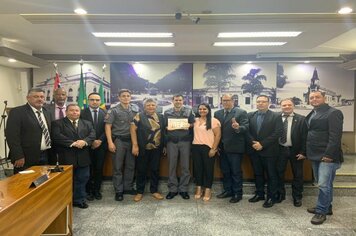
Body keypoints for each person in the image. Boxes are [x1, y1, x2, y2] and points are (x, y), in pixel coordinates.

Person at [306, 91, 343, 225]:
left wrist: (328, 154)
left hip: (327, 156)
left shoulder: (333, 112)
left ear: (324, 98)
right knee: (324, 184)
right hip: (315, 154)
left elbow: (335, 136)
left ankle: (321, 211)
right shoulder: (313, 112)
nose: (314, 99)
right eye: (311, 97)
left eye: (317, 97)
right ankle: (327, 207)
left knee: (323, 184)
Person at [51, 104, 96, 209]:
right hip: (66, 157)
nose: (75, 112)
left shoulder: (87, 123)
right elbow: (57, 136)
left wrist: (84, 141)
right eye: (72, 110)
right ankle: (65, 201)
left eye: (77, 110)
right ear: (66, 112)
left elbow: (92, 135)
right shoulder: (57, 123)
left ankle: (79, 200)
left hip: (83, 157)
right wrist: (74, 143)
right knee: (66, 181)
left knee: (82, 179)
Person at [247, 95, 282, 208]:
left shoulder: (276, 116)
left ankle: (271, 197)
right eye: (258, 102)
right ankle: (259, 194)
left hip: (269, 151)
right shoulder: (250, 115)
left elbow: (277, 133)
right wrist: (254, 143)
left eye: (263, 102)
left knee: (271, 175)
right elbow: (247, 131)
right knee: (258, 173)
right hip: (254, 150)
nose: (260, 103)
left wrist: (262, 144)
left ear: (268, 103)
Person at [6, 88, 52, 174]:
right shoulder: (17, 112)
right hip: (26, 157)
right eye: (36, 96)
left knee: (43, 182)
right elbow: (12, 136)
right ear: (28, 98)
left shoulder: (47, 112)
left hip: (45, 154)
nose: (39, 99)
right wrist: (18, 156)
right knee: (24, 184)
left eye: (42, 97)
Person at [105, 89, 139, 201]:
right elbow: (108, 126)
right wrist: (110, 142)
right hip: (118, 140)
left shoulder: (135, 109)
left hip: (132, 140)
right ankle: (119, 190)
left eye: (128, 96)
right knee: (118, 166)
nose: (126, 98)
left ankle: (128, 187)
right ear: (119, 98)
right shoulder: (113, 110)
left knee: (130, 165)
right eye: (123, 96)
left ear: (130, 97)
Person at [214, 95, 249, 203]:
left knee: (235, 172)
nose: (225, 102)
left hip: (235, 148)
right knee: (225, 171)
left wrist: (238, 127)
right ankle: (228, 190)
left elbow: (246, 127)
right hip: (222, 148)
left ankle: (237, 193)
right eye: (223, 100)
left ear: (233, 101)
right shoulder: (217, 113)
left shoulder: (241, 112)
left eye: (228, 100)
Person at [130, 98, 165, 202]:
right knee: (141, 170)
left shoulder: (161, 117)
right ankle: (139, 192)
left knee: (155, 169)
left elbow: (164, 132)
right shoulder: (139, 116)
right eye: (148, 105)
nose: (151, 107)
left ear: (156, 106)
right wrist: (135, 145)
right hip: (142, 148)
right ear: (144, 106)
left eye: (153, 105)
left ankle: (154, 191)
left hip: (157, 148)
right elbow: (132, 130)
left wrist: (164, 146)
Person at [276, 98, 307, 207]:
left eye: (289, 105)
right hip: (280, 150)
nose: (287, 107)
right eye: (284, 105)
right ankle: (280, 194)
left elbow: (304, 137)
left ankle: (297, 196)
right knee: (279, 173)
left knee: (298, 175)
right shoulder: (276, 118)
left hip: (296, 151)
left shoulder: (301, 119)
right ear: (281, 106)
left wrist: (303, 152)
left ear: (293, 106)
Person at [164, 94, 195, 200]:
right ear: (173, 101)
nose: (178, 101)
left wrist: (188, 125)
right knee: (172, 166)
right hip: (171, 142)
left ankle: (183, 189)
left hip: (185, 142)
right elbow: (164, 128)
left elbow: (193, 124)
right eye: (176, 100)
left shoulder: (189, 111)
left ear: (183, 101)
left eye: (180, 100)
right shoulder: (167, 112)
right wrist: (167, 128)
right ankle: (172, 189)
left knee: (185, 166)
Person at [80, 92, 107, 201]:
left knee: (99, 169)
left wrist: (100, 140)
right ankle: (88, 191)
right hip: (87, 146)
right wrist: (91, 141)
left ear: (100, 101)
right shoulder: (82, 113)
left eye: (97, 100)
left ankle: (97, 190)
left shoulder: (105, 112)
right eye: (92, 100)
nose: (94, 102)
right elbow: (80, 129)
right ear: (88, 100)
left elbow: (108, 129)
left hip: (101, 145)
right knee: (88, 169)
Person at [192, 103, 221, 201]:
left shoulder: (213, 121)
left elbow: (218, 136)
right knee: (198, 168)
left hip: (208, 148)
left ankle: (208, 189)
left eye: (204, 109)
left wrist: (214, 149)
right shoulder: (195, 120)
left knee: (208, 169)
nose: (202, 111)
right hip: (195, 147)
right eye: (200, 109)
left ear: (208, 110)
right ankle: (199, 187)